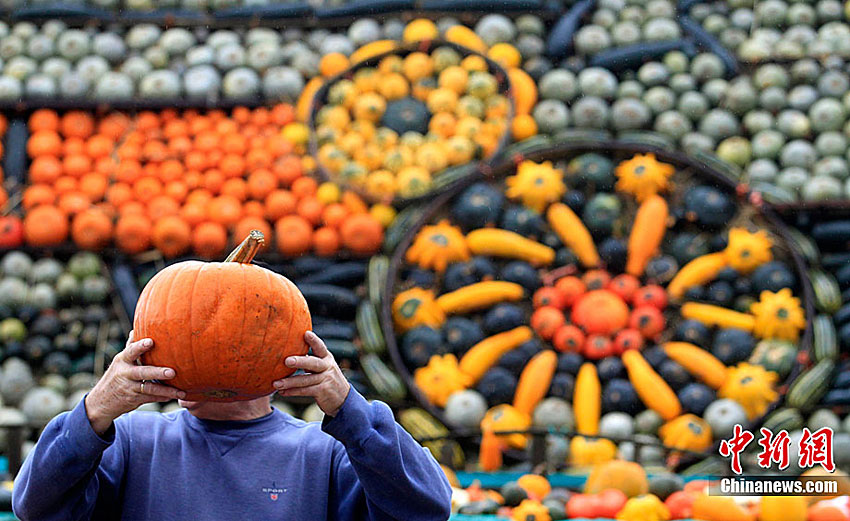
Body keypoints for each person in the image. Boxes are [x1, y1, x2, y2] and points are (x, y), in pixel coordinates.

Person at [12, 330, 452, 521]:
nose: (190, 354)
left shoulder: (325, 452)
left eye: (216, 341)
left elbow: (428, 507)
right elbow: (35, 507)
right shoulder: (128, 440)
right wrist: (94, 411)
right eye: (180, 337)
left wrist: (349, 408)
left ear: (274, 354)